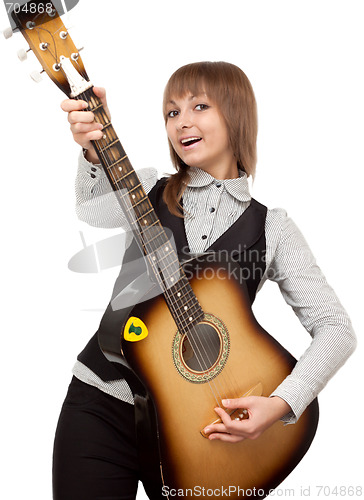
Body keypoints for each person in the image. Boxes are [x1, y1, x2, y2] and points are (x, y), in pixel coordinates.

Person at [52, 61, 356, 499]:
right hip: (103, 403)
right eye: (172, 112)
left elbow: (336, 328)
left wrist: (282, 403)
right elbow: (94, 209)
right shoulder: (149, 190)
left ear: (237, 116)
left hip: (202, 428)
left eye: (199, 106)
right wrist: (94, 154)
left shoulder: (272, 228)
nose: (182, 122)